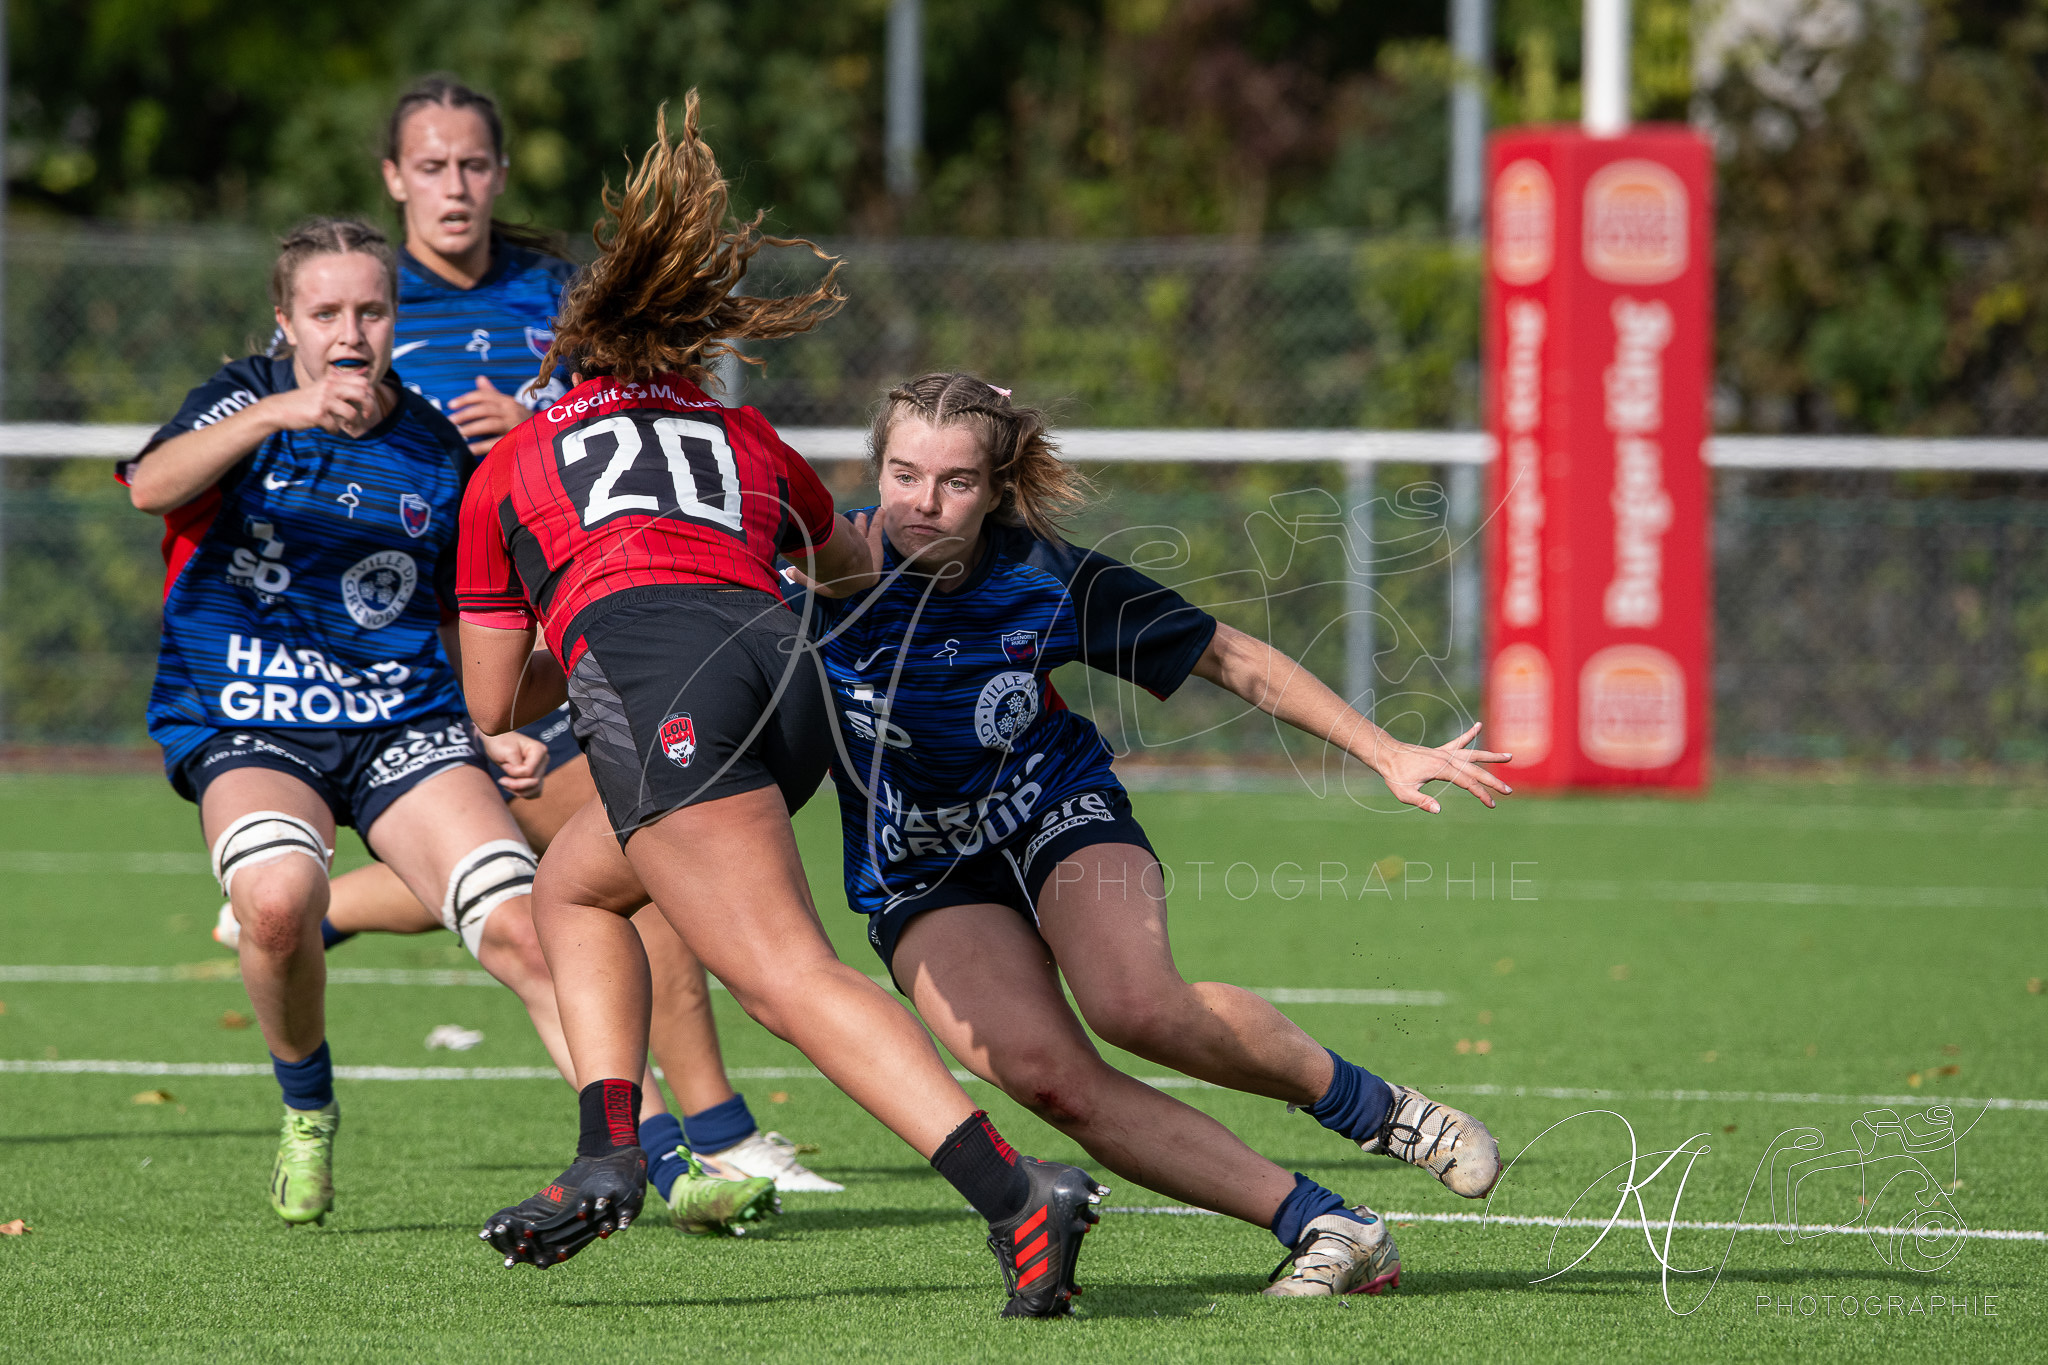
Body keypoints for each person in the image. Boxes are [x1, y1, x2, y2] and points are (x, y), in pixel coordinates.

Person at [454, 96, 1105, 1318]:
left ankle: (1014, 1195)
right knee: (577, 887)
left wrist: (573, 627)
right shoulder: (737, 428)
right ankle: (608, 1152)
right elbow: (845, 565)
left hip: (671, 692)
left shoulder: (512, 463)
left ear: (568, 346)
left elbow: (499, 697)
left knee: (782, 977)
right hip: (787, 679)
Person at [210, 74, 837, 1201]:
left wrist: (536, 427)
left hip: (576, 613)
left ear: (500, 174)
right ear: (393, 179)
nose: (456, 185)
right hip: (438, 629)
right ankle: (718, 1134)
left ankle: (329, 906)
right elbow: (280, 441)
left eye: (475, 164)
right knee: (641, 851)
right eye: (432, 166)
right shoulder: (357, 300)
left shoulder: (557, 292)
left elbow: (644, 417)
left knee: (602, 853)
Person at [786, 372, 1514, 1296]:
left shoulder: (1043, 575)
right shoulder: (808, 572)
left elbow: (1229, 655)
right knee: (1052, 1083)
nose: (924, 503)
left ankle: (1382, 1111)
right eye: (903, 473)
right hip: (918, 865)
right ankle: (1331, 1227)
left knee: (1134, 1004)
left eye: (956, 481)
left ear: (998, 488)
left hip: (1053, 808)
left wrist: (1382, 751)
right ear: (874, 468)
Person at [122, 217, 578, 1228]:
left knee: (527, 931)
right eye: (325, 312)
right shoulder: (241, 400)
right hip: (247, 714)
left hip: (399, 721)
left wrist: (495, 720)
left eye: (370, 310)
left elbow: (460, 621)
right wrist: (277, 412)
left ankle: (649, 1154)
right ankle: (307, 1109)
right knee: (279, 902)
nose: (350, 331)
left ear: (393, 320)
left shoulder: (431, 446)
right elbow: (151, 485)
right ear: (285, 321)